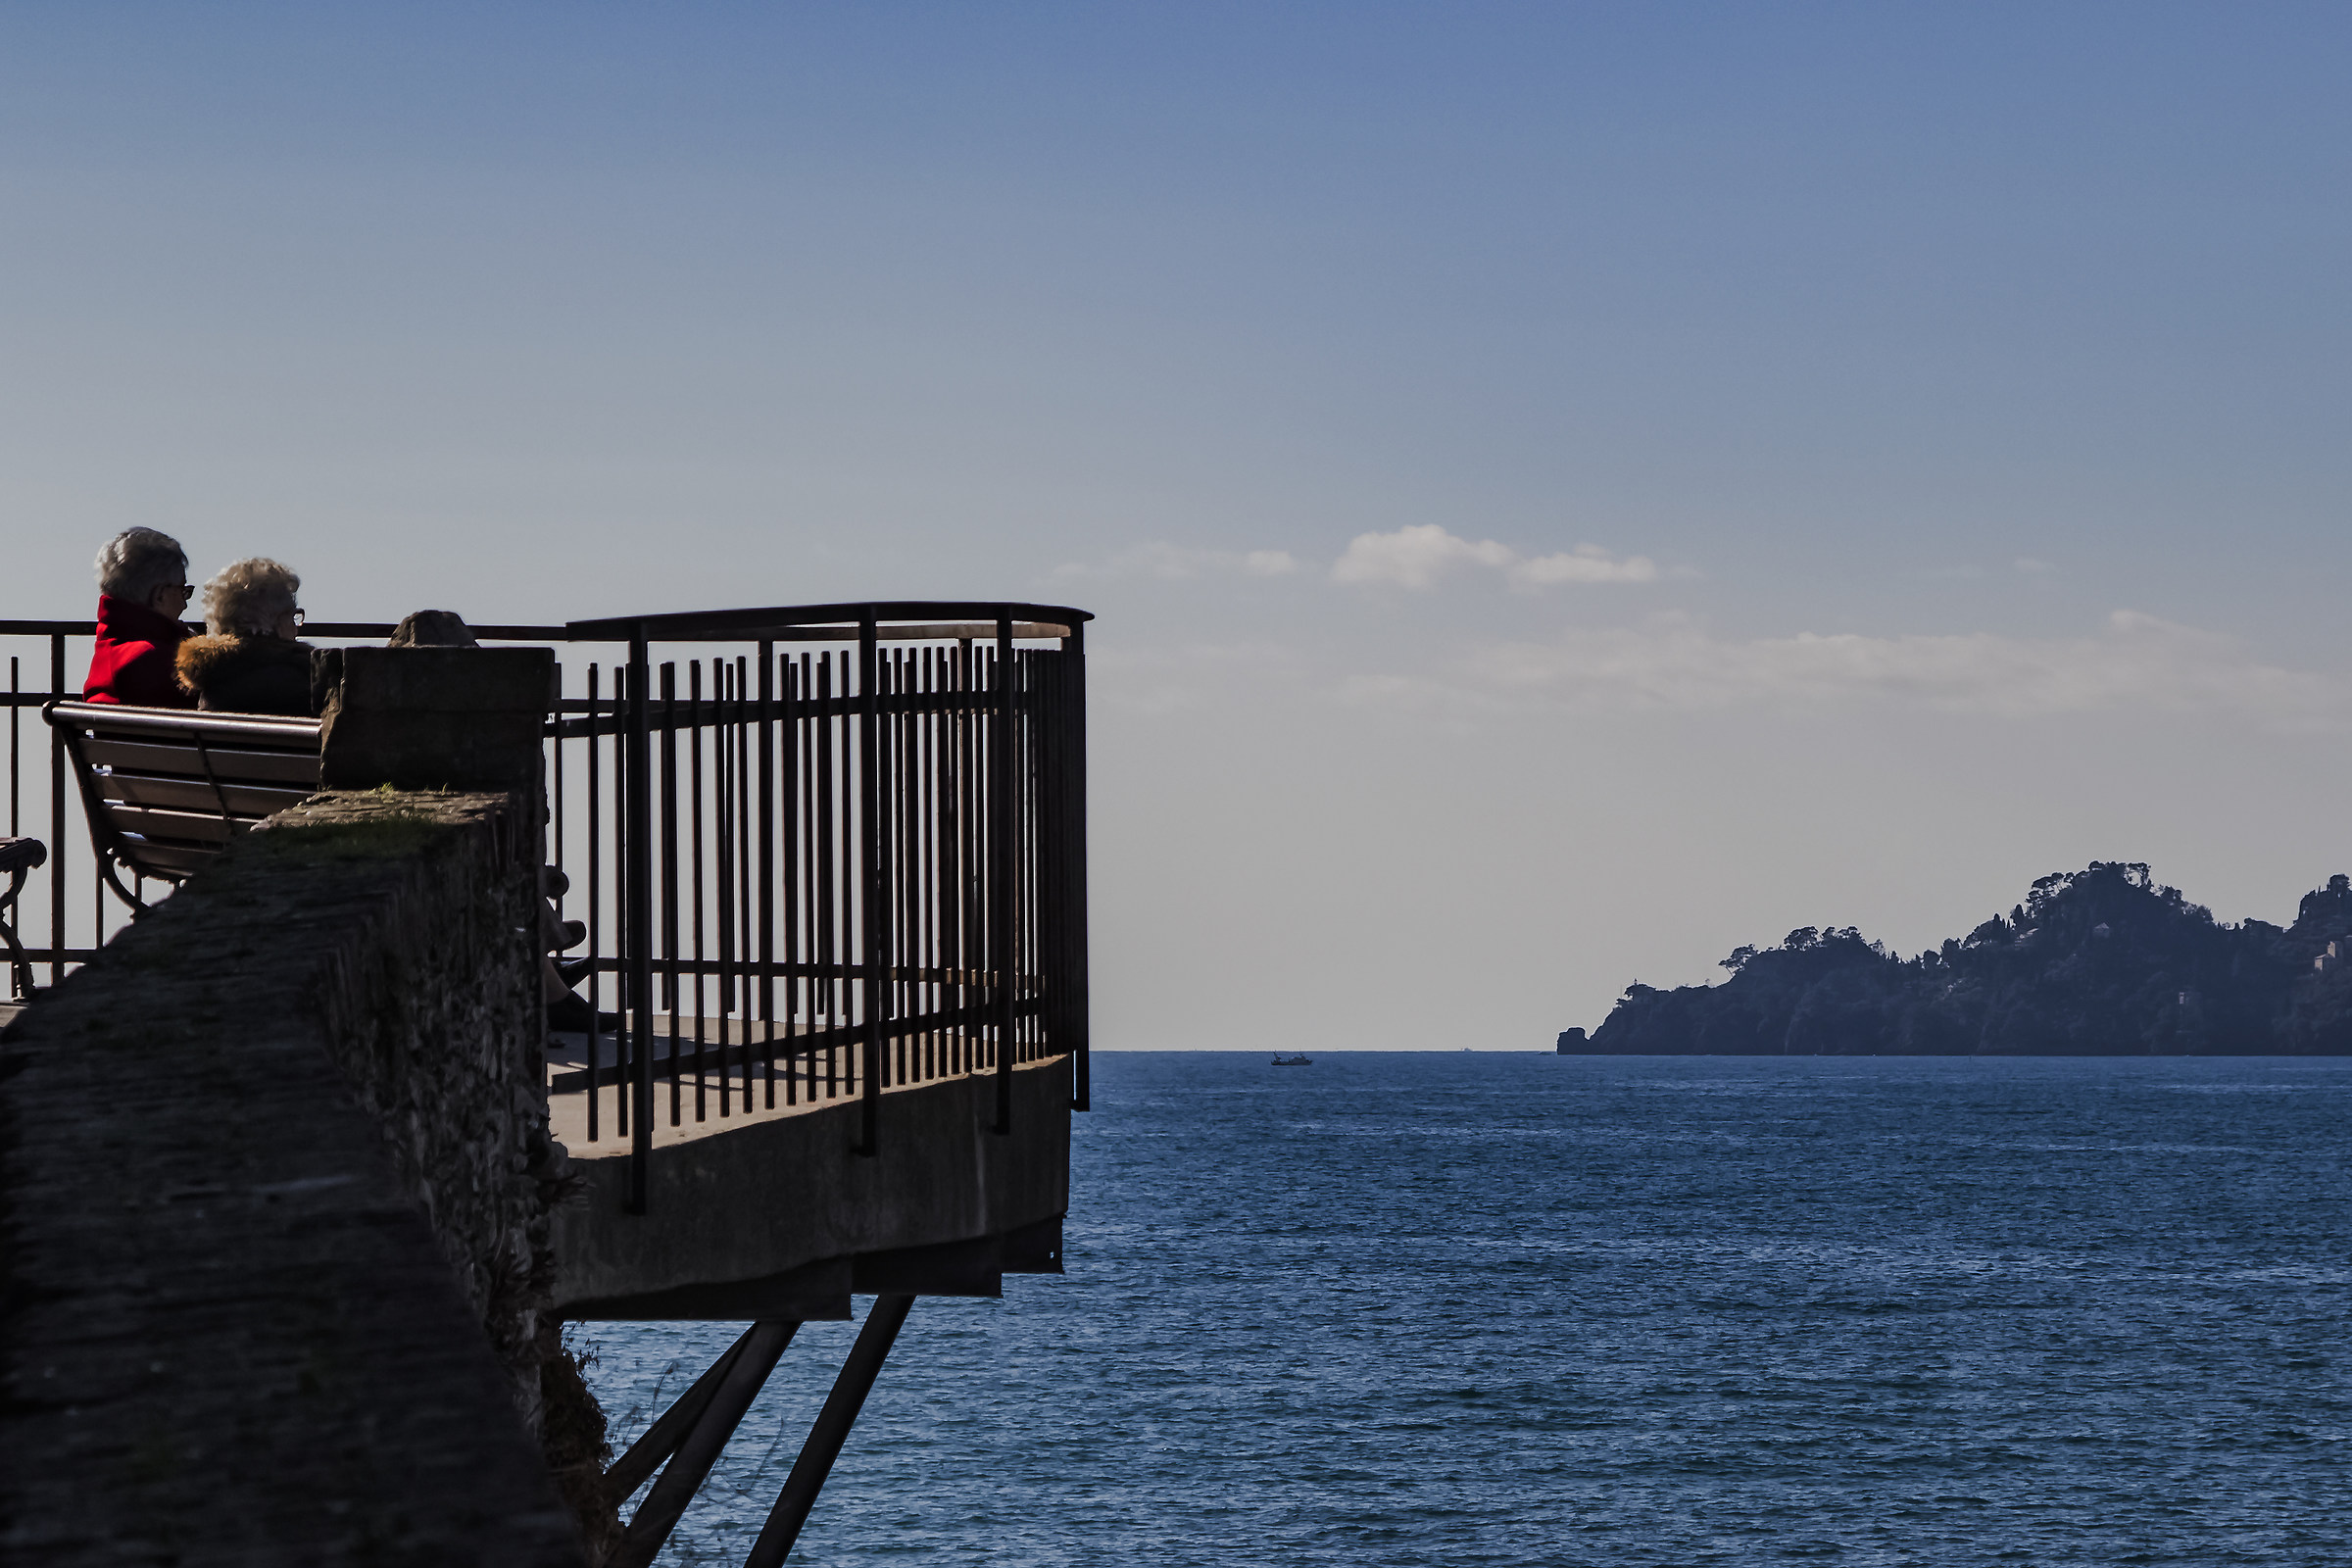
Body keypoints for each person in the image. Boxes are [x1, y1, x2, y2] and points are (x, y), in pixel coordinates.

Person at [174, 558, 315, 715]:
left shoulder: (212, 679)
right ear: (277, 621)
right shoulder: (302, 684)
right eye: (293, 616)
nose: (295, 629)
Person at [84, 528, 198, 708]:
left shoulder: (108, 651)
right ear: (160, 595)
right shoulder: (160, 662)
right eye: (183, 591)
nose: (184, 605)